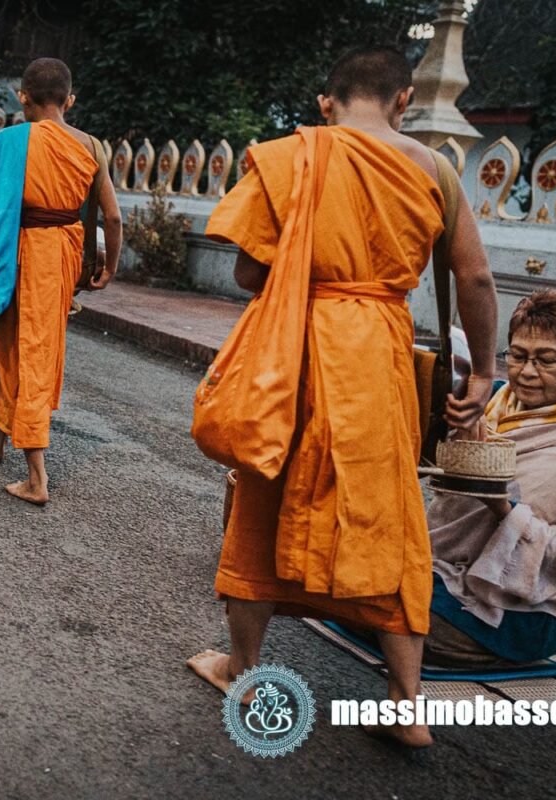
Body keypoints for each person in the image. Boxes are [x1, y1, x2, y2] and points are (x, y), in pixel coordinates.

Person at [184, 45, 499, 749]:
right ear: (404, 100)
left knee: (263, 500)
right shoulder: (435, 169)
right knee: (390, 516)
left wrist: (313, 257)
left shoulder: (291, 157)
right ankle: (406, 702)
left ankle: (243, 668)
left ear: (325, 104)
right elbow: (475, 278)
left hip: (295, 351)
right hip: (381, 359)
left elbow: (247, 274)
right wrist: (482, 373)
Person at [425, 290, 556, 666]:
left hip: (529, 608)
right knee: (356, 580)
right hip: (442, 568)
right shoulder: (487, 405)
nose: (525, 372)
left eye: (547, 360)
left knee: (396, 614)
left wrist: (503, 509)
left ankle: (472, 645)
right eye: (517, 355)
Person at [0, 58, 123, 505]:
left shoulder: (9, 142)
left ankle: (37, 478)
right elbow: (113, 217)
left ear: (22, 98)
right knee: (32, 346)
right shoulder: (91, 146)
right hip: (61, 253)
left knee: (21, 348)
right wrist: (109, 268)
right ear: (69, 101)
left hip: (17, 250)